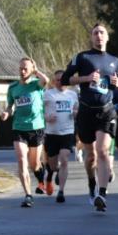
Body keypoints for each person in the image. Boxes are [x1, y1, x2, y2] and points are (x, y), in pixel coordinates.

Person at [62, 23, 118, 212]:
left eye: (102, 33)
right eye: (95, 33)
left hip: (106, 111)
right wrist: (86, 79)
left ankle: (102, 194)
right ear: (92, 37)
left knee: (103, 150)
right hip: (86, 111)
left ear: (107, 37)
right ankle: (92, 184)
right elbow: (65, 79)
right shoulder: (82, 57)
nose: (98, 36)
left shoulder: (115, 61)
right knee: (90, 157)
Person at [4, 58, 50, 208]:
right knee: (22, 160)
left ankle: (41, 177)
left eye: (26, 68)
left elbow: (46, 80)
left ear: (31, 70)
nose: (22, 71)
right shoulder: (13, 88)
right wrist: (6, 112)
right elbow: (10, 105)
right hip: (19, 128)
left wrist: (36, 71)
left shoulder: (36, 84)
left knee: (34, 163)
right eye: (21, 68)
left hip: (36, 128)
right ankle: (28, 195)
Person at [43, 70, 79, 203]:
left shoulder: (73, 94)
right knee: (52, 166)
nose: (60, 82)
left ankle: (61, 191)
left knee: (64, 159)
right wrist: (46, 117)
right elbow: (39, 111)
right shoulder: (48, 94)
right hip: (52, 133)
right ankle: (52, 174)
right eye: (57, 79)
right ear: (53, 81)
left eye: (63, 79)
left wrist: (75, 112)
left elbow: (76, 108)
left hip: (67, 132)